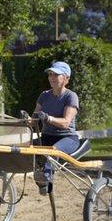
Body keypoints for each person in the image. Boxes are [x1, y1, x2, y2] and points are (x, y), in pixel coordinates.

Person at [32, 61, 80, 195]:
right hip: (47, 137)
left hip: (67, 138)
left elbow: (65, 122)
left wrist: (47, 118)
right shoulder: (44, 95)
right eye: (50, 74)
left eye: (56, 74)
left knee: (52, 151)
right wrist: (25, 120)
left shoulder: (71, 96)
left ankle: (45, 178)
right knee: (20, 149)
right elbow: (34, 120)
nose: (51, 77)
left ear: (66, 78)